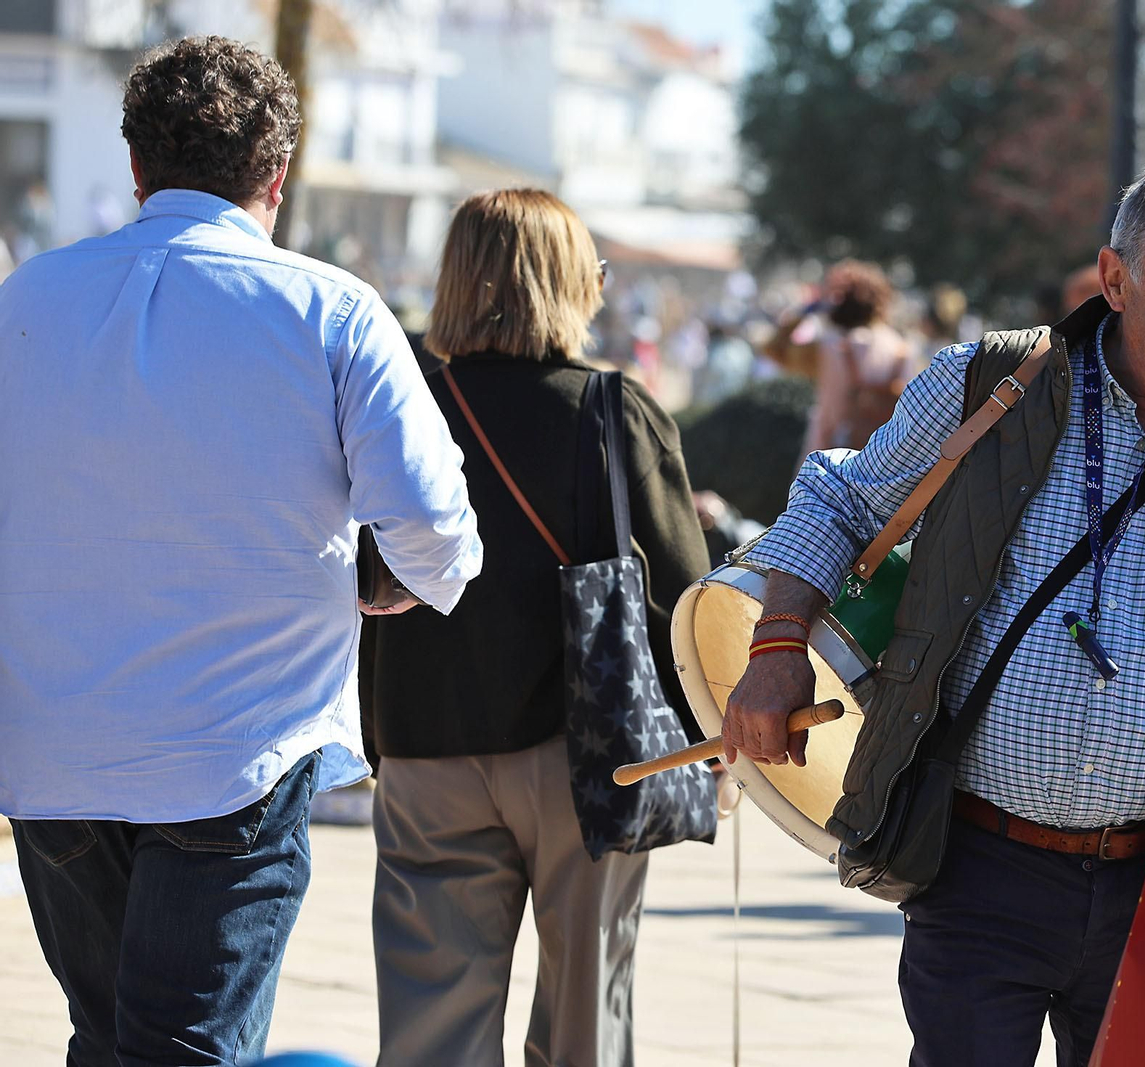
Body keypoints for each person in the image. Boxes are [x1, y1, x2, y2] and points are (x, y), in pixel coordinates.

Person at [720, 159, 1145, 1066]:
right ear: (1115, 281)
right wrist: (775, 647)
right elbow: (838, 500)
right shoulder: (989, 383)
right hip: (979, 868)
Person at [0, 35, 481, 1066]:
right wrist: (396, 580)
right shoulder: (329, 307)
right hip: (236, 747)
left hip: (53, 744)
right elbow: (437, 532)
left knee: (109, 1041)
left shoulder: (23, 302)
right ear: (278, 173)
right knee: (183, 1047)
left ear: (136, 169)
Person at [364, 188, 710, 1067]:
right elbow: (683, 599)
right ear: (570, 285)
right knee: (587, 1018)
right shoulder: (609, 410)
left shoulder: (402, 405)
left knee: (429, 1024)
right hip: (585, 753)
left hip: (422, 736)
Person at [766, 259, 916, 453]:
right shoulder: (902, 349)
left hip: (826, 459)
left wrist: (812, 307)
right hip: (878, 462)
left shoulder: (828, 347)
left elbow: (775, 350)